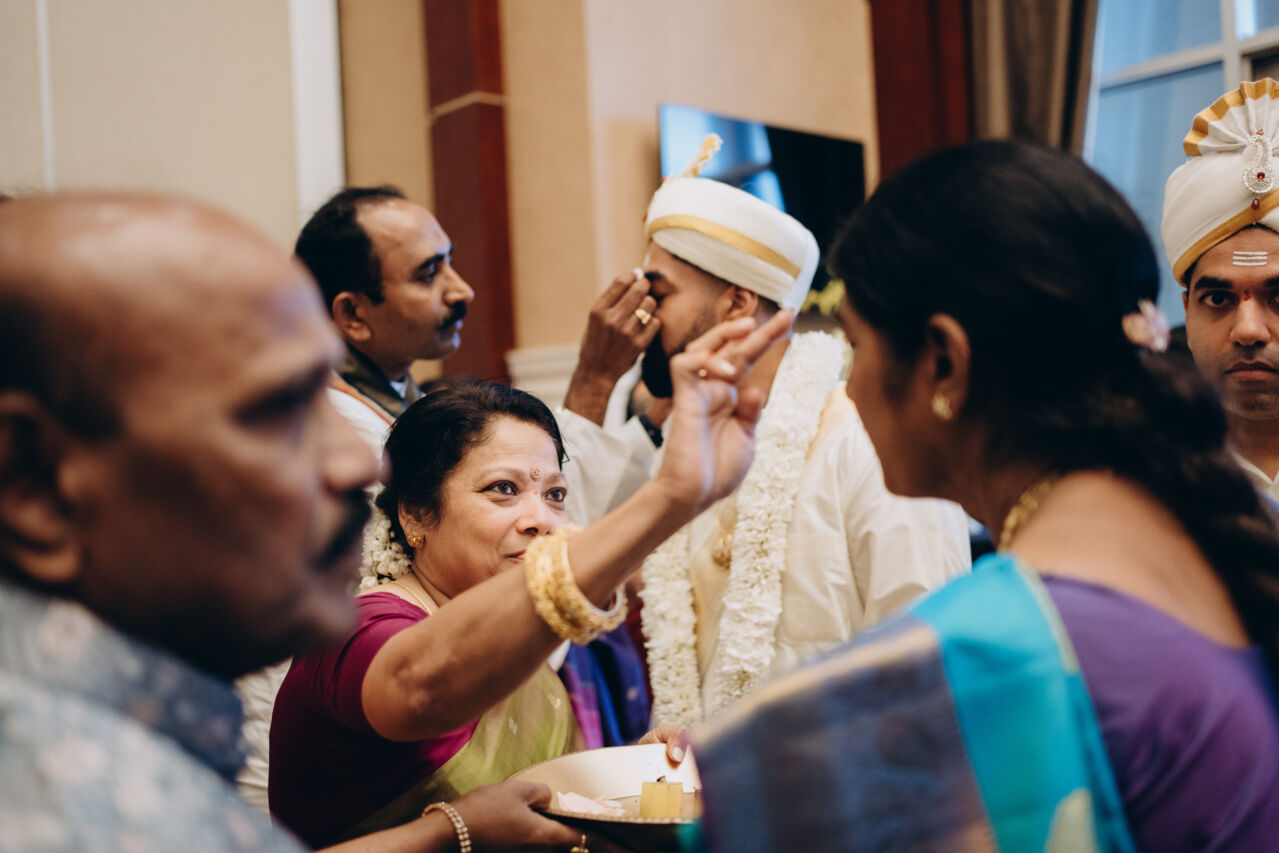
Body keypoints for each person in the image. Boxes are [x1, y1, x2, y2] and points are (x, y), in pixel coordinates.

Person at [689, 140, 1279, 852]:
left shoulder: (991, 653)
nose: (849, 385)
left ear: (944, 362)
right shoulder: (1200, 537)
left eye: (856, 347)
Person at [0, 192, 586, 852]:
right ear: (35, 490)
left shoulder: (142, 740)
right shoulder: (59, 806)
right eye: (277, 409)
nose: (356, 465)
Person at [266, 313, 793, 845]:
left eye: (555, 494)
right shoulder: (358, 631)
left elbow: (547, 807)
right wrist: (673, 496)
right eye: (502, 488)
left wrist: (631, 780)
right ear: (415, 514)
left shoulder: (515, 644)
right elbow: (419, 691)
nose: (541, 519)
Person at [628, 137, 970, 725]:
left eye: (658, 293)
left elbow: (930, 665)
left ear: (738, 303)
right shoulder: (690, 451)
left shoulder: (867, 440)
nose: (642, 314)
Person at [1164, 79, 1279, 501]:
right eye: (1217, 299)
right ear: (1187, 312)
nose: (1248, 331)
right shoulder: (1144, 483)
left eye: (1278, 298)